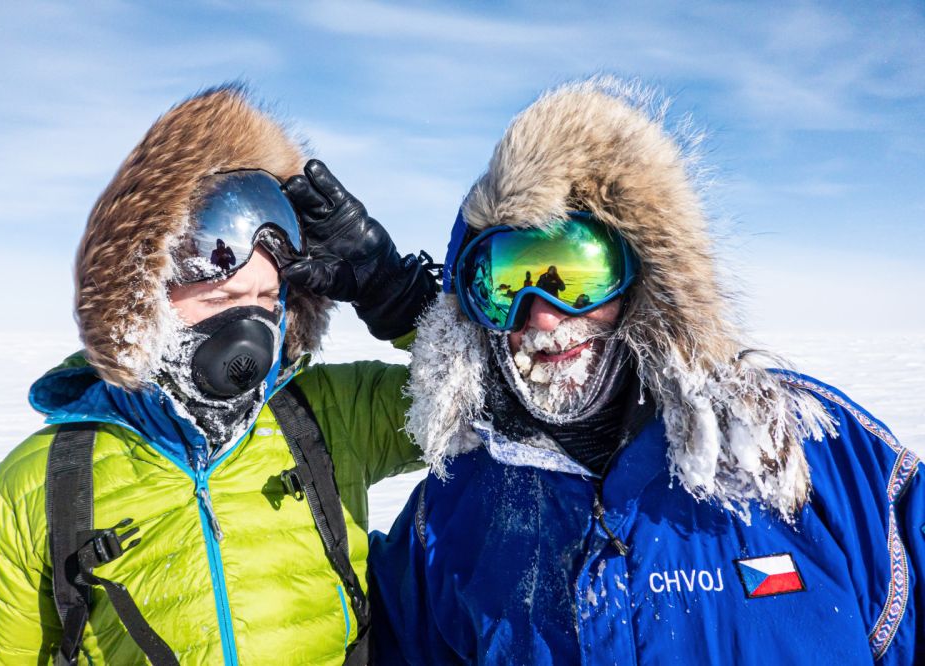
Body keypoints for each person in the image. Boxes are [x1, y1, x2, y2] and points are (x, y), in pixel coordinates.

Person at [369, 79, 925, 664]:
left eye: (574, 274)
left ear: (644, 279)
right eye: (503, 284)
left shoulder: (816, 455)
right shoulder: (452, 513)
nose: (542, 313)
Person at [0, 86, 436, 665]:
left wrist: (396, 294)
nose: (252, 326)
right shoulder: (36, 486)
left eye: (268, 297)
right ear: (141, 295)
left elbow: (495, 402)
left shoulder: (329, 415)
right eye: (223, 294)